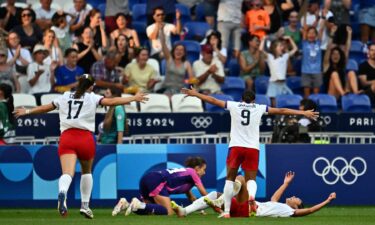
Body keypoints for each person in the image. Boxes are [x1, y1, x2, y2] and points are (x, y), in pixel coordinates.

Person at [13, 74, 148, 219]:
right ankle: (85, 206)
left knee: (67, 173)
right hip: (85, 138)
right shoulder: (92, 97)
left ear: (78, 84)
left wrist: (27, 111)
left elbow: (46, 108)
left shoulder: (65, 96)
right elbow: (113, 101)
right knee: (87, 171)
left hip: (67, 138)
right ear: (91, 86)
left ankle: (63, 192)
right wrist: (133, 98)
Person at [181, 87, 319, 218]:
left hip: (236, 146)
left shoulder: (234, 105)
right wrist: (303, 113)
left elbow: (213, 100)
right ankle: (251, 197)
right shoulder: (259, 108)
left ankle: (227, 212)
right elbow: (281, 110)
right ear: (254, 101)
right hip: (252, 148)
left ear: (241, 99)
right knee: (250, 179)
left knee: (230, 179)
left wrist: (196, 94)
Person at [172, 171, 336, 218]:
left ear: (295, 206)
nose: (293, 197)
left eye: (295, 199)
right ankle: (184, 211)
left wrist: (327, 200)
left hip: (249, 211)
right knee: (215, 194)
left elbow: (309, 211)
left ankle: (221, 203)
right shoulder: (277, 206)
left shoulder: (289, 211)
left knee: (241, 178)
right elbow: (274, 198)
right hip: (246, 209)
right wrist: (286, 183)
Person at [111, 156, 208, 216]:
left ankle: (126, 204)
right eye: (203, 169)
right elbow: (204, 194)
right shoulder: (193, 172)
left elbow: (192, 197)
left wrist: (200, 210)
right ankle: (137, 203)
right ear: (197, 168)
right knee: (168, 212)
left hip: (147, 178)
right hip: (157, 180)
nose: (204, 173)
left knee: (147, 210)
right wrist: (215, 204)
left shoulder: (187, 178)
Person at [260, 36, 298, 106]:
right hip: (273, 84)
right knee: (275, 106)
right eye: (280, 46)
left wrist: (290, 39)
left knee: (286, 103)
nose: (282, 48)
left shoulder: (285, 56)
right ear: (274, 48)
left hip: (283, 84)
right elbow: (260, 50)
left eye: (282, 46)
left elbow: (295, 49)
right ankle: (276, 117)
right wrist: (263, 40)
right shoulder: (270, 57)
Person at [323, 26, 359, 99]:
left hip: (344, 90)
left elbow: (347, 49)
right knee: (334, 74)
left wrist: (349, 34)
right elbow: (328, 49)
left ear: (340, 56)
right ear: (330, 56)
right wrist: (332, 33)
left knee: (351, 72)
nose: (335, 56)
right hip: (332, 94)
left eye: (337, 54)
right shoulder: (326, 65)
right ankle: (343, 94)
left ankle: (356, 92)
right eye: (333, 54)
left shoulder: (342, 64)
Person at [159, 26, 194, 96]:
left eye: (181, 50)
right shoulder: (169, 59)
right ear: (173, 51)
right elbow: (163, 44)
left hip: (181, 90)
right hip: (167, 89)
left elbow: (191, 79)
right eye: (177, 50)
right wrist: (162, 30)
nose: (179, 52)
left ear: (184, 53)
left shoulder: (187, 64)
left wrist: (191, 81)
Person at [301, 24, 324, 98]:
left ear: (316, 35)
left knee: (315, 95)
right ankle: (306, 108)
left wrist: (323, 17)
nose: (311, 35)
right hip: (306, 71)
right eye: (309, 33)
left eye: (313, 33)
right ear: (306, 34)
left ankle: (315, 108)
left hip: (317, 71)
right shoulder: (304, 43)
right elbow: (304, 30)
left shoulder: (318, 43)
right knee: (306, 94)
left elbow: (321, 29)